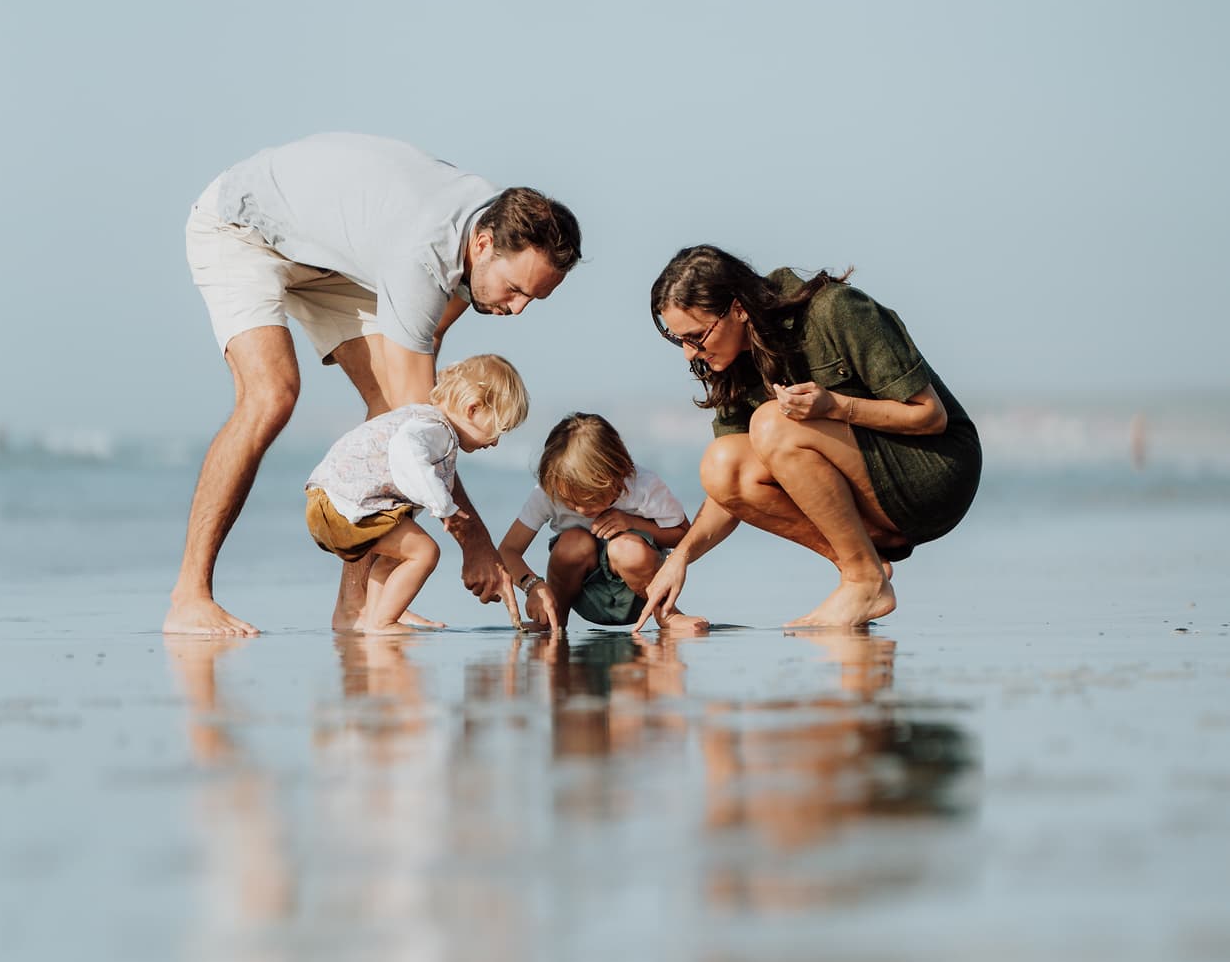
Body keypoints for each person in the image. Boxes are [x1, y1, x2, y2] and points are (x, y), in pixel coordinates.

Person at [164, 133, 581, 637]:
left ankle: (357, 608)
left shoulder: (496, 222)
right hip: (243, 228)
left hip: (330, 260)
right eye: (514, 291)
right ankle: (189, 596)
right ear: (483, 244)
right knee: (272, 395)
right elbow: (419, 425)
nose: (516, 310)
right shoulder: (422, 257)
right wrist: (476, 543)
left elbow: (425, 373)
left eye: (532, 299)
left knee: (388, 407)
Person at [636, 247, 981, 630]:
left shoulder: (835, 310)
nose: (688, 354)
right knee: (721, 465)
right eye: (678, 340)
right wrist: (679, 558)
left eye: (696, 336)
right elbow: (729, 491)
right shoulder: (729, 361)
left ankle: (863, 580)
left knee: (770, 422)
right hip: (872, 489)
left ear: (737, 309)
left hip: (936, 472)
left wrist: (834, 405)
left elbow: (930, 416)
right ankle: (865, 568)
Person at [305, 355, 529, 635]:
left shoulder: (421, 416)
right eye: (498, 430)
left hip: (328, 500)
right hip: (347, 505)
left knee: (398, 556)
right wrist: (444, 507)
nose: (495, 442)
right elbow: (407, 450)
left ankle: (375, 617)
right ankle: (383, 622)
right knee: (425, 552)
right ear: (472, 409)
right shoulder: (438, 429)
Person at [497, 412, 703, 634]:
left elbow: (686, 537)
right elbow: (508, 550)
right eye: (570, 502)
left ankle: (666, 613)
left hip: (641, 594)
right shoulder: (550, 490)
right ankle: (552, 619)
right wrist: (532, 586)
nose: (581, 510)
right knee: (573, 543)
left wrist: (632, 523)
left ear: (619, 474)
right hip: (583, 593)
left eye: (590, 500)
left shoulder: (643, 486)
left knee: (625, 547)